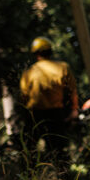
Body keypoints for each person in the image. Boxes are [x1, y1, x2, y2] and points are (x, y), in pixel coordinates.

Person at [19, 36, 79, 166]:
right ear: (50, 51)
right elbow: (72, 91)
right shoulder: (63, 67)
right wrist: (74, 110)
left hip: (34, 116)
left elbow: (23, 97)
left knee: (28, 152)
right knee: (59, 152)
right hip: (56, 115)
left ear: (35, 53)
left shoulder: (28, 72)